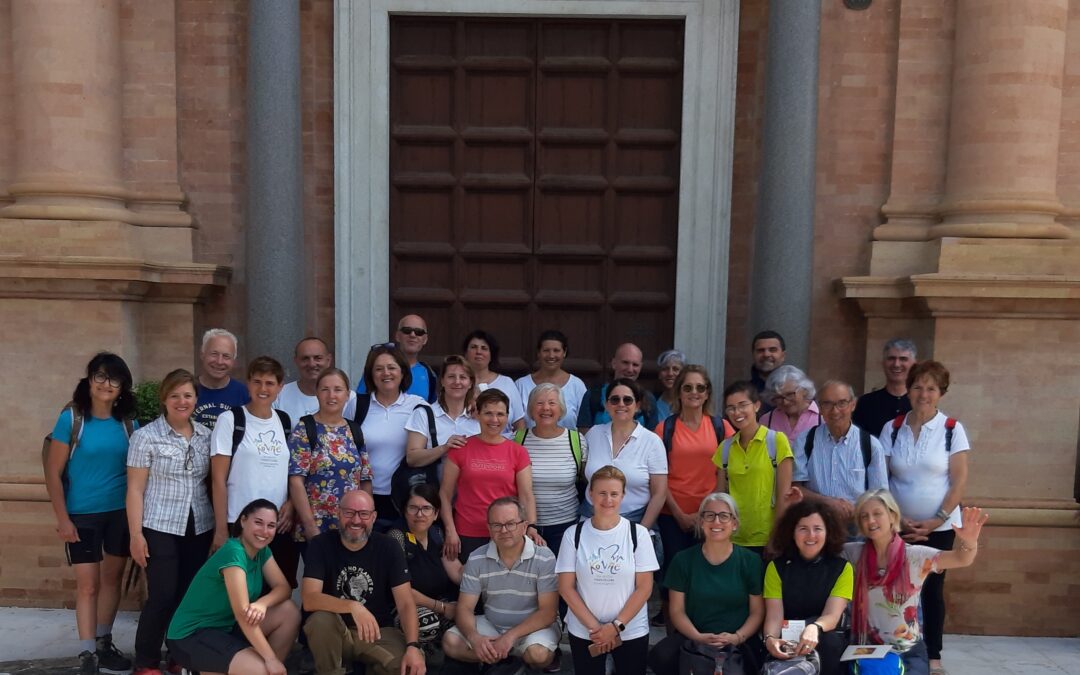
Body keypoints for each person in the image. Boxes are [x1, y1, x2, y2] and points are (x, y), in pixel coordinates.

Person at [45, 353, 137, 675]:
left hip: (120, 515)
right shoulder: (72, 419)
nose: (106, 384)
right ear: (89, 380)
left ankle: (102, 641)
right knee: (88, 585)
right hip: (81, 515)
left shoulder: (128, 423)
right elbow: (53, 473)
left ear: (122, 386)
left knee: (112, 579)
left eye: (113, 379)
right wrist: (63, 519)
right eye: (100, 376)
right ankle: (87, 655)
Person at [878, 360, 971, 675]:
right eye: (918, 386)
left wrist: (935, 520)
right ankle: (896, 647)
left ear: (941, 392)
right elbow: (883, 478)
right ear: (909, 389)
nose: (923, 393)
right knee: (896, 589)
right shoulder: (892, 428)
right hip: (898, 525)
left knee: (931, 591)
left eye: (931, 388)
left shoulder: (951, 430)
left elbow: (958, 481)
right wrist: (898, 520)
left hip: (940, 526)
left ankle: (933, 655)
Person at [126, 368, 215, 675]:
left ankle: (178, 654)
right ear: (164, 399)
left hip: (199, 524)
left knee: (188, 595)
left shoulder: (207, 436)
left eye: (188, 395)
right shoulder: (145, 437)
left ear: (195, 400)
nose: (182, 401)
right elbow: (135, 490)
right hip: (159, 525)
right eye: (175, 395)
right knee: (162, 595)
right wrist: (135, 534)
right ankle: (147, 661)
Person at [846, 490, 987, 675]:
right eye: (864, 516)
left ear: (892, 516)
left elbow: (961, 559)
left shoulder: (915, 556)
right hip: (865, 650)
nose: (871, 520)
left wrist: (969, 542)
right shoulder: (851, 554)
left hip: (908, 652)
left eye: (877, 514)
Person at [165, 499, 300, 675]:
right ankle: (198, 669)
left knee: (288, 611)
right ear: (243, 521)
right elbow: (242, 614)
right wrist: (270, 659)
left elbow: (284, 588)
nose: (264, 531)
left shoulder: (262, 551)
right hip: (192, 635)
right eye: (258, 522)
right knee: (260, 669)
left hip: (227, 629)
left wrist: (263, 603)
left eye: (271, 525)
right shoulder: (234, 552)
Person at [301, 490, 426, 675]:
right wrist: (353, 606)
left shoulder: (389, 547)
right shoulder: (321, 544)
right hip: (335, 634)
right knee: (320, 620)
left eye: (364, 514)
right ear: (338, 514)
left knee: (407, 668)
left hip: (377, 633)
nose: (356, 520)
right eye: (349, 513)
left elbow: (406, 603)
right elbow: (309, 599)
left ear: (374, 517)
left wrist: (413, 646)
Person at [556, 466, 658, 675]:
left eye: (614, 494)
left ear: (623, 495)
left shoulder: (638, 534)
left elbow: (644, 588)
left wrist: (615, 627)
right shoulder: (573, 534)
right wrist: (596, 628)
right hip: (585, 630)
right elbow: (566, 588)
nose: (608, 500)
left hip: (630, 630)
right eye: (602, 493)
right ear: (590, 494)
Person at [647, 493, 765, 674]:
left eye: (724, 516)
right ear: (701, 522)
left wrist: (737, 637)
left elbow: (757, 612)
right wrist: (698, 637)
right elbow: (676, 611)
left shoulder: (750, 561)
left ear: (734, 524)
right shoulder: (683, 560)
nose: (716, 521)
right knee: (662, 657)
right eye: (709, 515)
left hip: (738, 640)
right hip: (694, 637)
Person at [652, 365, 732, 625]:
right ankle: (673, 636)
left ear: (707, 392)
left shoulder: (722, 427)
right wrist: (680, 514)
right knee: (674, 576)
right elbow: (658, 475)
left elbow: (727, 473)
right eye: (688, 387)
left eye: (700, 387)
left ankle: (702, 630)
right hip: (671, 514)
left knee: (706, 573)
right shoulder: (665, 428)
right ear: (679, 392)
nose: (694, 392)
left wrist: (704, 514)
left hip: (711, 516)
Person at [442, 497, 560, 672]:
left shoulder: (544, 557)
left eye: (511, 523)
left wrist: (510, 637)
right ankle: (506, 660)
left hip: (533, 628)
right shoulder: (476, 558)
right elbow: (465, 608)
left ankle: (505, 657)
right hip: (493, 624)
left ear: (524, 525)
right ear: (489, 528)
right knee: (450, 642)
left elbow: (548, 613)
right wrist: (474, 638)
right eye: (496, 525)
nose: (504, 530)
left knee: (538, 655)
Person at [210, 357, 298, 583]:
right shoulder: (231, 420)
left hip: (277, 525)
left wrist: (291, 502)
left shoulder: (284, 421)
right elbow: (218, 480)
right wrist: (221, 530)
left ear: (280, 387)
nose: (263, 389)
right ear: (248, 383)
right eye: (257, 381)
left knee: (278, 589)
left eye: (270, 383)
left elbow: (289, 471)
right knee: (239, 592)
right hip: (240, 522)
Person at [439, 389, 540, 562]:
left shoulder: (518, 452)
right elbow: (445, 494)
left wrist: (530, 526)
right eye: (488, 413)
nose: (494, 420)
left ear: (507, 417)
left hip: (508, 532)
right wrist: (450, 530)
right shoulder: (461, 449)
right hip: (468, 532)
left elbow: (526, 494)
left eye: (500, 414)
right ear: (477, 414)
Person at [762, 500, 853, 675]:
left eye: (817, 528)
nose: (811, 535)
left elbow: (832, 616)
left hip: (824, 638)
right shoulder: (776, 567)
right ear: (792, 532)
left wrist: (814, 628)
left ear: (828, 532)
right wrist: (770, 639)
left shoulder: (842, 568)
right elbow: (774, 616)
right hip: (787, 640)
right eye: (803, 528)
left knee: (829, 642)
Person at [288, 368, 373, 542]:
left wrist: (366, 519)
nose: (331, 395)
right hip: (317, 526)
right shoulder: (305, 428)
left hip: (351, 526)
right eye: (325, 389)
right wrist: (310, 525)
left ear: (347, 395)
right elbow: (296, 481)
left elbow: (365, 479)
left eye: (338, 390)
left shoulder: (354, 430)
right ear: (317, 393)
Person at [792, 380, 888, 529]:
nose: (835, 411)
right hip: (816, 526)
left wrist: (857, 511)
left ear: (853, 404)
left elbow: (880, 496)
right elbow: (796, 489)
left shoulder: (870, 445)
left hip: (857, 528)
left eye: (842, 403)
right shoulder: (805, 441)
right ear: (820, 407)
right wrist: (829, 503)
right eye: (827, 404)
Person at [714, 381, 794, 555]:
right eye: (731, 408)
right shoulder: (725, 448)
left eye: (743, 405)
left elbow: (784, 496)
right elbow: (719, 496)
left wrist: (776, 537)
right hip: (733, 536)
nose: (737, 413)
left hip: (767, 538)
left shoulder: (777, 441)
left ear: (757, 406)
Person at [356, 344, 427, 530]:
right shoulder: (356, 405)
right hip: (364, 496)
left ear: (403, 372)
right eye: (378, 369)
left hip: (405, 496)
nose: (385, 373)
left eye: (392, 368)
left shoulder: (418, 406)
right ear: (370, 375)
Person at [582, 378, 667, 532]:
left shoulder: (652, 442)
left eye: (627, 400)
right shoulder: (593, 434)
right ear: (607, 405)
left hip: (635, 522)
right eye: (615, 399)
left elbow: (659, 494)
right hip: (591, 521)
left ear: (638, 406)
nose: (621, 404)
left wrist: (641, 532)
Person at [515, 382, 589, 556]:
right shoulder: (517, 439)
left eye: (552, 403)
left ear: (561, 409)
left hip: (566, 526)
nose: (545, 408)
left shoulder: (576, 441)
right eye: (539, 403)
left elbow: (587, 480)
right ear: (531, 409)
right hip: (523, 526)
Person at [387, 484, 463, 648]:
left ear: (436, 513)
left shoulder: (437, 533)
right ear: (404, 511)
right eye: (413, 508)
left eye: (426, 508)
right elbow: (402, 589)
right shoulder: (396, 537)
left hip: (439, 601)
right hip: (405, 605)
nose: (420, 514)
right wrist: (443, 608)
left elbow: (456, 571)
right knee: (428, 623)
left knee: (467, 617)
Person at [403, 355, 480, 476]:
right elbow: (412, 458)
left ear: (470, 383)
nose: (457, 382)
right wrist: (444, 448)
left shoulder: (479, 416)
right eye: (451, 377)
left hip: (472, 491)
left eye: (463, 377)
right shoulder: (424, 414)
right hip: (434, 490)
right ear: (442, 381)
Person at [274, 337, 357, 430]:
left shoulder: (351, 399)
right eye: (305, 358)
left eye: (318, 358)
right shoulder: (279, 395)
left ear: (328, 360)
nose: (312, 364)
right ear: (296, 361)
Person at [576, 343, 659, 432]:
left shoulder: (648, 399)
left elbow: (651, 435)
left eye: (635, 365)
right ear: (614, 363)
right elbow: (584, 436)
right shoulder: (593, 395)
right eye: (625, 363)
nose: (630, 369)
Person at [515, 329, 588, 430]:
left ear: (564, 352)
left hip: (567, 445)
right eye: (546, 350)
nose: (551, 355)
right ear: (538, 353)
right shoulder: (521, 385)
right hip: (528, 445)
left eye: (556, 350)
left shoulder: (577, 385)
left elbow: (585, 423)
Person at [357, 314, 438, 403]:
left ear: (425, 339)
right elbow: (360, 403)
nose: (412, 335)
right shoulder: (379, 371)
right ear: (397, 336)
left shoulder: (429, 374)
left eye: (419, 332)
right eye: (407, 330)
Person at [463, 329, 526, 436]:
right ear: (465, 353)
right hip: (468, 446)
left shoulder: (507, 383)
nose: (478, 352)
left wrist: (517, 448)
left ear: (491, 354)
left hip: (504, 447)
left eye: (484, 348)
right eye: (473, 347)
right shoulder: (458, 384)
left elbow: (519, 424)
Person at [852, 338, 917, 435]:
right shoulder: (865, 403)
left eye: (903, 359)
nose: (896, 364)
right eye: (891, 358)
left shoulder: (920, 403)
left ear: (914, 364)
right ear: (883, 363)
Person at [193, 328, 251, 430]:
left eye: (226, 356)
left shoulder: (244, 394)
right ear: (202, 355)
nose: (219, 361)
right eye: (214, 354)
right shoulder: (188, 389)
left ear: (234, 361)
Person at [750, 330, 786, 414]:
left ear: (783, 356)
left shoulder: (798, 390)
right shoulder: (745, 392)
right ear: (753, 355)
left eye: (772, 350)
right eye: (760, 350)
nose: (766, 354)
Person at [654, 348, 686, 421]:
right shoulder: (653, 402)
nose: (670, 373)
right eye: (665, 369)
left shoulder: (689, 402)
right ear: (659, 374)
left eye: (675, 369)